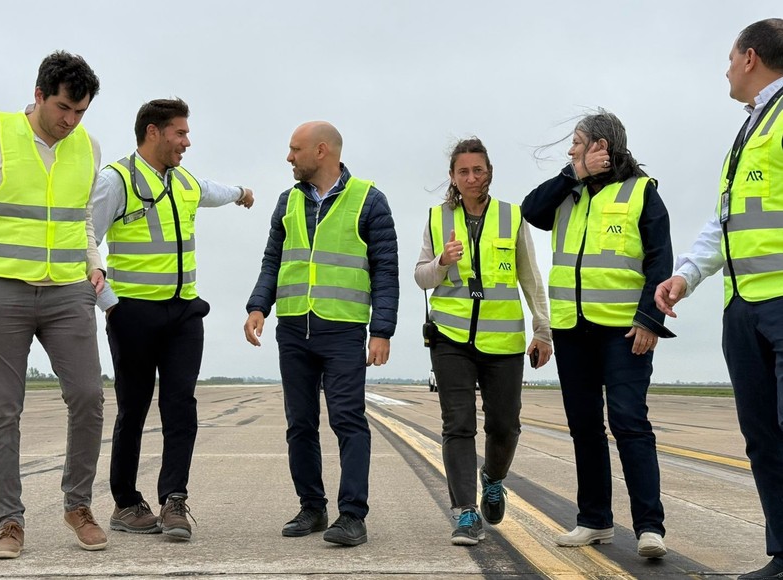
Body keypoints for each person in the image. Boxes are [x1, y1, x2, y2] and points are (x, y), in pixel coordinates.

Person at [0, 51, 108, 559]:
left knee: (88, 396)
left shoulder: (88, 147)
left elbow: (82, 216)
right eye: (63, 108)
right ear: (39, 95)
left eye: (80, 111)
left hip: (68, 291)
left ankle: (78, 505)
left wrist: (93, 263)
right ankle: (9, 522)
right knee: (3, 408)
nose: (71, 120)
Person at [91, 98, 254, 541]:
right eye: (180, 133)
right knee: (134, 409)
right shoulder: (116, 180)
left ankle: (174, 500)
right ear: (153, 132)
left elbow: (213, 190)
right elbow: (85, 242)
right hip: (133, 313)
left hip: (184, 312)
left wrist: (241, 192)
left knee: (181, 406)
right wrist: (110, 303)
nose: (187, 141)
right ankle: (126, 502)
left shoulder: (183, 181)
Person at [655, 19, 783, 580]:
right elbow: (726, 222)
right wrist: (685, 276)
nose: (726, 69)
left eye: (731, 58)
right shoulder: (752, 129)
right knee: (763, 438)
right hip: (745, 306)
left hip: (780, 303)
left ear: (750, 57)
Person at [521, 110, 674, 559]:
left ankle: (650, 527)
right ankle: (594, 520)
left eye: (577, 142)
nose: (571, 149)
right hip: (572, 329)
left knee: (629, 422)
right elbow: (531, 210)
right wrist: (574, 173)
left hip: (624, 331)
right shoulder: (568, 192)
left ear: (601, 146)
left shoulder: (642, 192)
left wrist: (649, 319)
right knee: (584, 427)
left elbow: (660, 261)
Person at [243, 121, 398, 547]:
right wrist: (258, 306)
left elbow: (386, 269)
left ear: (322, 151)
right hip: (294, 327)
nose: (289, 157)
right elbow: (273, 261)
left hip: (343, 329)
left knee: (348, 420)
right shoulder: (287, 201)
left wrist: (382, 330)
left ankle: (352, 515)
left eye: (295, 149)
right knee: (300, 423)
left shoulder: (369, 200)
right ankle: (312, 507)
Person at [414, 137, 553, 546]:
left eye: (478, 170)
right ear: (452, 177)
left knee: (505, 425)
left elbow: (530, 278)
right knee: (458, 424)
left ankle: (493, 479)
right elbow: (421, 277)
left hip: (503, 339)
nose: (471, 177)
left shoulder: (512, 217)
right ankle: (465, 512)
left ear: (489, 172)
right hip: (450, 337)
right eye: (463, 171)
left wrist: (542, 330)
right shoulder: (437, 218)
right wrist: (442, 262)